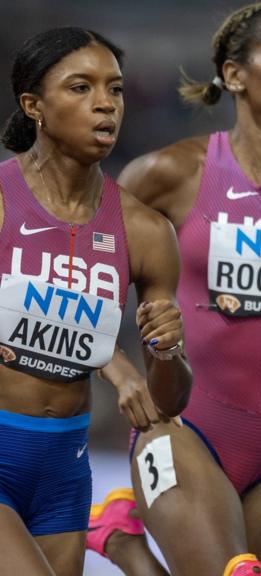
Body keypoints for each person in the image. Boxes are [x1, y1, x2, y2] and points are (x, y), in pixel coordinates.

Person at [93, 3, 261, 575]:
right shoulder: (172, 172)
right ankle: (122, 540)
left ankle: (122, 542)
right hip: (183, 427)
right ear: (234, 73)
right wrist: (118, 371)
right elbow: (77, 273)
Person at [0, 27, 190, 575]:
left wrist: (165, 353)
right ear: (33, 105)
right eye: (81, 88)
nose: (105, 103)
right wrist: (114, 360)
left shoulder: (147, 231)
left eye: (116, 89)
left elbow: (168, 402)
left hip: (64, 464)